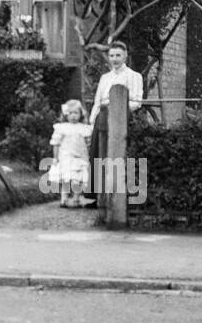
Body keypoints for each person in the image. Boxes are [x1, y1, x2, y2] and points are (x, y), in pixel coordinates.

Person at [83, 40, 144, 206]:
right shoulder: (105, 77)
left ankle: (124, 198)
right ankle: (98, 197)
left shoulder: (134, 76)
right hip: (102, 120)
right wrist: (92, 122)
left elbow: (137, 102)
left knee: (120, 157)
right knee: (98, 155)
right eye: (111, 55)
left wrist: (117, 107)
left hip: (122, 119)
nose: (115, 59)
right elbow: (97, 101)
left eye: (118, 55)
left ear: (125, 56)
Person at [50, 99, 92, 207]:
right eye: (70, 113)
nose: (73, 116)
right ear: (66, 114)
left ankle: (76, 199)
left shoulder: (83, 128)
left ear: (80, 114)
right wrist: (55, 157)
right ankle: (64, 198)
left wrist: (88, 153)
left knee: (77, 178)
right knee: (66, 177)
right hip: (66, 157)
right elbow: (56, 143)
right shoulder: (62, 127)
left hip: (80, 157)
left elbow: (88, 143)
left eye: (76, 113)